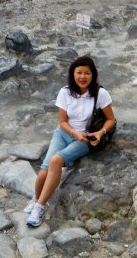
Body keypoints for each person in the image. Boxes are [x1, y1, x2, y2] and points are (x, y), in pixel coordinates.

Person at [24, 56, 116, 227]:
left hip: (85, 138)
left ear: (93, 75)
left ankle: (40, 206)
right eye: (79, 72)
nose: (83, 76)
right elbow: (62, 122)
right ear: (72, 74)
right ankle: (35, 198)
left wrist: (100, 132)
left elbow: (111, 120)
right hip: (64, 133)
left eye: (87, 73)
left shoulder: (100, 93)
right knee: (43, 172)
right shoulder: (65, 92)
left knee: (56, 160)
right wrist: (74, 133)